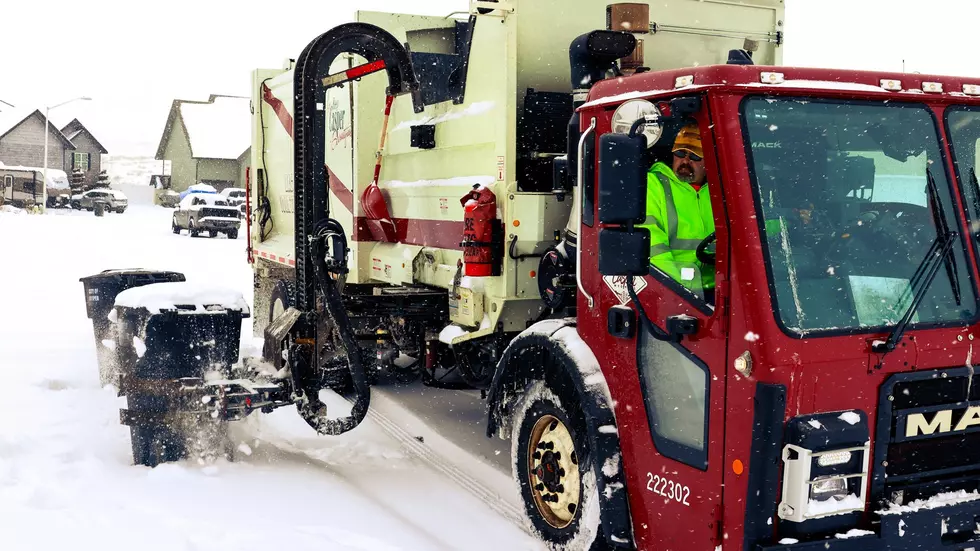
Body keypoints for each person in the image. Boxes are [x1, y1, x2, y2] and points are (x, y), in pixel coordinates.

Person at [638, 122, 716, 299]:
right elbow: (652, 245)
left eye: (695, 156)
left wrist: (785, 221)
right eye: (680, 153)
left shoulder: (720, 190)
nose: (685, 161)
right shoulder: (654, 185)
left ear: (709, 160)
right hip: (674, 290)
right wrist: (676, 290)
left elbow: (748, 225)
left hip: (720, 289)